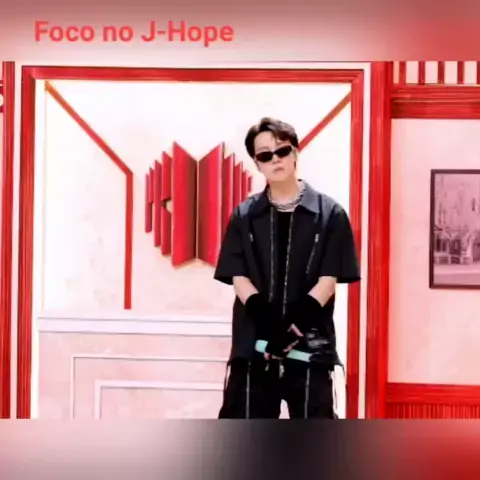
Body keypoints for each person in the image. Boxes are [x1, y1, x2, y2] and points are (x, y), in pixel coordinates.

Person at [214, 117, 360, 419]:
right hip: (255, 346)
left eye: (282, 151)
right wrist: (268, 323)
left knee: (314, 441)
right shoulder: (244, 215)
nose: (275, 160)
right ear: (257, 163)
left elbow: (328, 280)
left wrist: (290, 330)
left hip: (310, 348)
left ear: (295, 152)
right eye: (265, 155)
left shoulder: (330, 214)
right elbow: (238, 276)